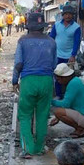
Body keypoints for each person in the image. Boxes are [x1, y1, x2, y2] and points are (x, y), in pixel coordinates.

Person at [12, 12, 57, 157]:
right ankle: (39, 147)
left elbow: (18, 63)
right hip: (46, 81)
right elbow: (54, 64)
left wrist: (14, 80)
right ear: (42, 27)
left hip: (28, 80)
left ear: (28, 27)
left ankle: (28, 149)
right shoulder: (51, 42)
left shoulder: (23, 41)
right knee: (42, 115)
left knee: (25, 115)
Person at [50, 63, 84, 138]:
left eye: (59, 78)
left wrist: (50, 101)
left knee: (58, 111)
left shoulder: (72, 84)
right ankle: (83, 127)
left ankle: (80, 129)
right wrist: (58, 118)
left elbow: (65, 104)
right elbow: (70, 104)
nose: (58, 81)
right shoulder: (76, 80)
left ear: (65, 77)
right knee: (59, 112)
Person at [49, 4, 81, 98]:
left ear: (72, 15)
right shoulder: (57, 25)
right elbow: (51, 38)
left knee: (69, 77)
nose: (68, 16)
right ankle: (59, 95)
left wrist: (73, 55)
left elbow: (76, 42)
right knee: (58, 76)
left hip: (68, 56)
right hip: (57, 55)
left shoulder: (76, 27)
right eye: (66, 14)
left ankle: (68, 96)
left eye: (70, 14)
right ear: (63, 15)